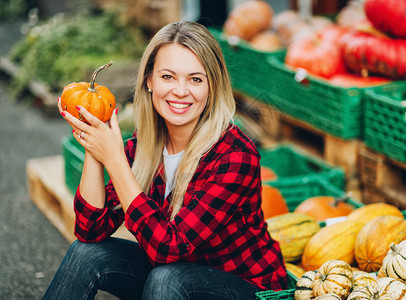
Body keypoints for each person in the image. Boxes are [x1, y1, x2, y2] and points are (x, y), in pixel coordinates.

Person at [43, 21, 288, 300]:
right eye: (168, 77)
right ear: (149, 80)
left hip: (245, 287)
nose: (180, 91)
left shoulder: (235, 156)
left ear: (212, 87)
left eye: (195, 79)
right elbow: (89, 229)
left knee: (168, 276)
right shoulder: (145, 146)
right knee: (86, 253)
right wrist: (94, 145)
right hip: (174, 279)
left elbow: (167, 248)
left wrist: (114, 159)